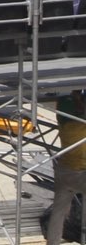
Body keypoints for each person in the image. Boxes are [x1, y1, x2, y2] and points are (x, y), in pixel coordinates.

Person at [51, 91, 86, 245]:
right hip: (79, 173)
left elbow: (71, 107)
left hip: (64, 171)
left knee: (58, 213)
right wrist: (79, 99)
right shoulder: (82, 127)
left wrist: (75, 98)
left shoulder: (64, 124)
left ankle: (52, 242)